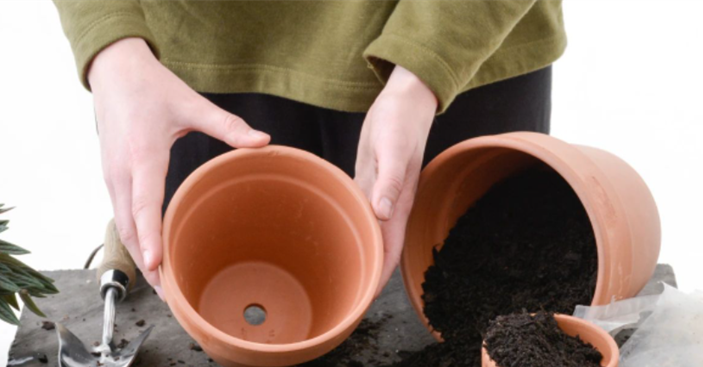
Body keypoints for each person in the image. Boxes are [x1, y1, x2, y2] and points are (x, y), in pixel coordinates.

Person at [53, 0, 565, 298]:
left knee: (477, 329)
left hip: (461, 42)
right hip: (187, 65)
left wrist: (425, 72)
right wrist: (112, 49)